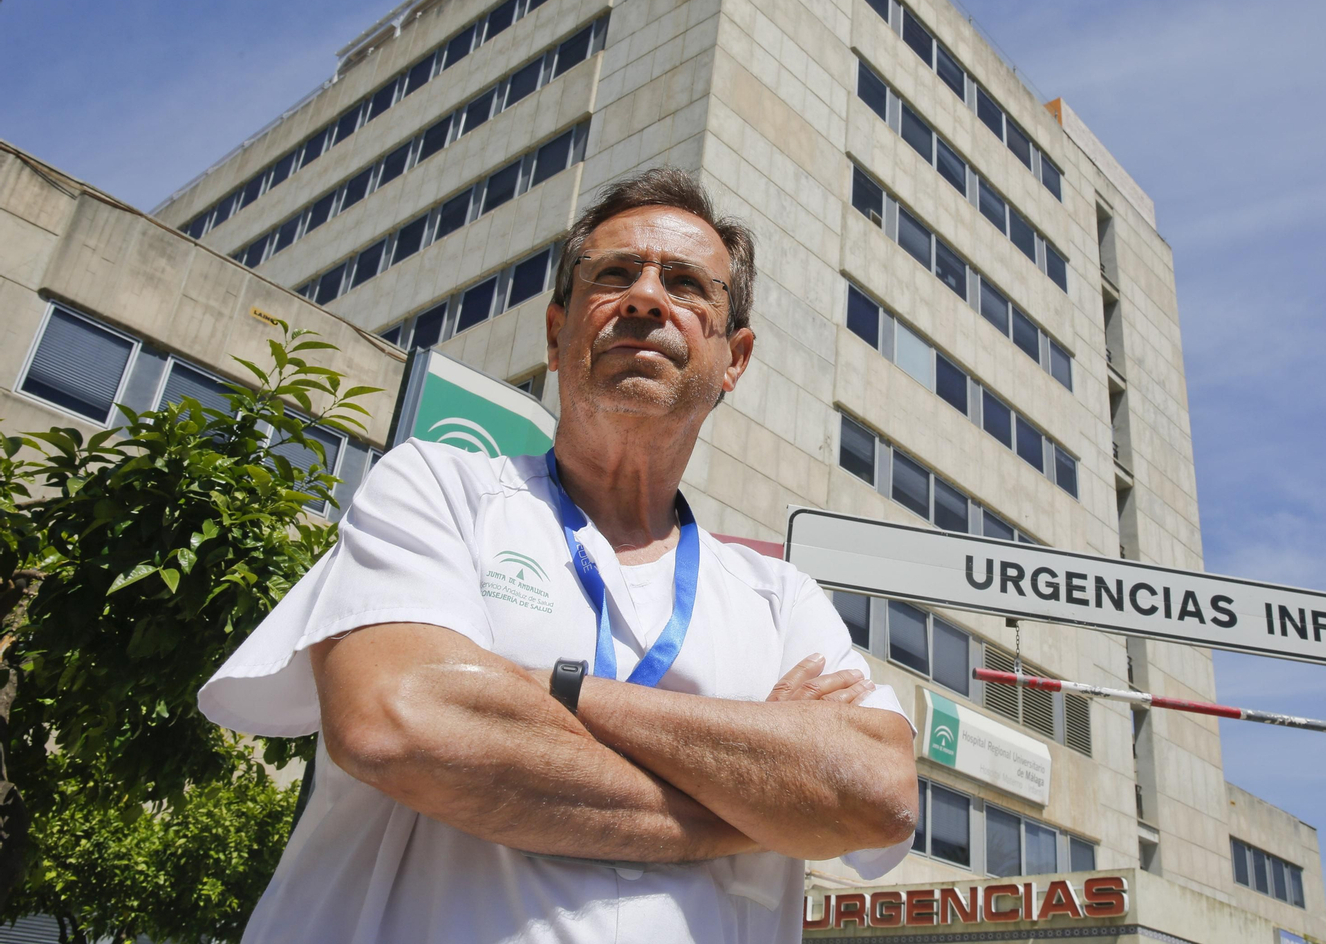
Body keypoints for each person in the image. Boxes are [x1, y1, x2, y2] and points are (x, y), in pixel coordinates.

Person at [199, 168, 919, 944]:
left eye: (685, 284)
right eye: (612, 276)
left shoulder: (781, 599)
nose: (645, 299)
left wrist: (545, 689)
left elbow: (876, 793)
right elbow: (398, 721)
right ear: (555, 332)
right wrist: (755, 804)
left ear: (733, 358)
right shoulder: (439, 486)